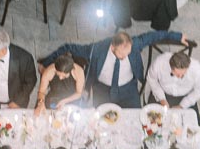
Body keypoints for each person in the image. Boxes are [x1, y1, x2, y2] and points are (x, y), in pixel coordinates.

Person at [41, 28, 187, 108]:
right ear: (112, 47)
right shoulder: (96, 49)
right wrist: (46, 63)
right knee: (101, 123)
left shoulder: (134, 45)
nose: (124, 57)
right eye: (121, 55)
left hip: (128, 89)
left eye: (128, 54)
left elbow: (153, 36)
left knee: (136, 118)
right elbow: (68, 47)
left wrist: (177, 36)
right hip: (102, 89)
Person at [145, 48, 200, 113]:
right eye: (177, 74)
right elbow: (152, 79)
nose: (180, 77)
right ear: (171, 67)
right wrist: (161, 99)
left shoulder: (198, 70)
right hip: (162, 91)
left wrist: (182, 105)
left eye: (183, 74)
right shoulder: (159, 63)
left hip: (185, 96)